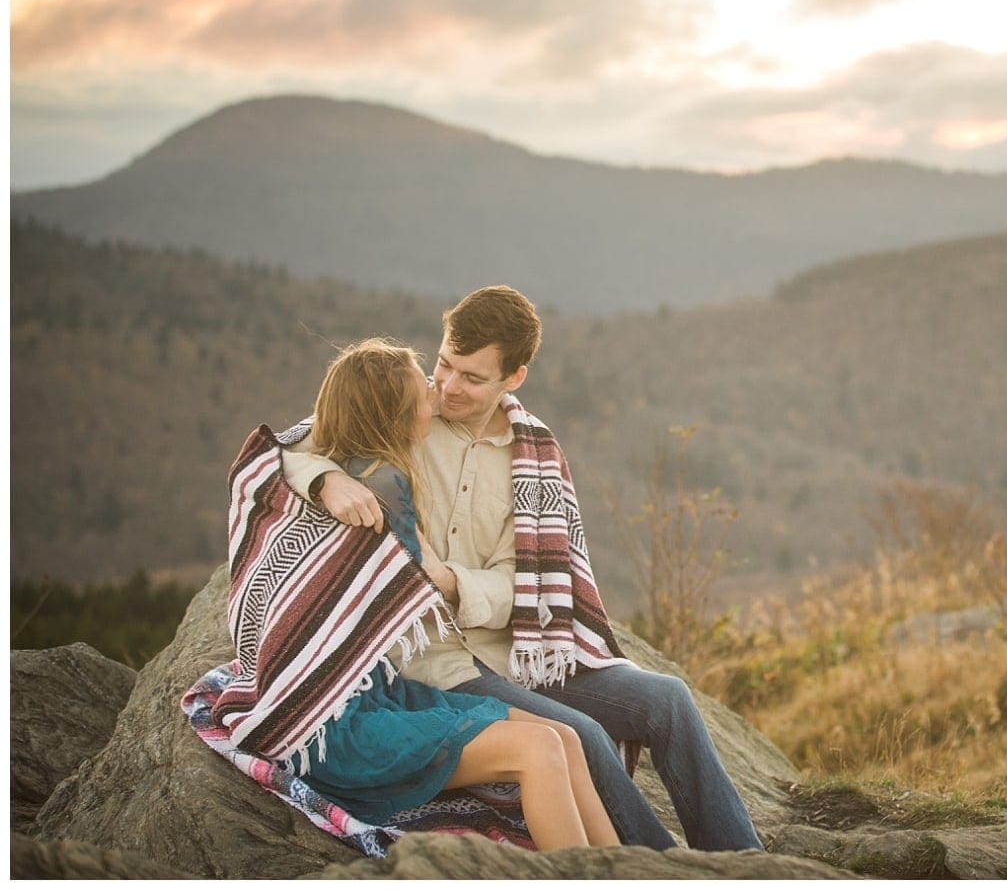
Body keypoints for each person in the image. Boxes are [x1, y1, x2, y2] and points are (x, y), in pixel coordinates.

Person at [282, 287, 762, 851]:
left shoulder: (535, 453)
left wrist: (455, 584)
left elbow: (533, 586)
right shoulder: (407, 413)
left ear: (514, 377)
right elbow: (288, 449)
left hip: (521, 646)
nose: (448, 386)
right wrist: (327, 479)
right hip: (438, 661)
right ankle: (659, 868)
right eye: (444, 365)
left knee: (669, 700)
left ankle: (741, 863)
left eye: (471, 377)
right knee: (582, 736)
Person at [276, 338, 620, 851]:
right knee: (542, 748)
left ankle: (627, 874)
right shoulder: (381, 483)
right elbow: (416, 584)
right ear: (393, 415)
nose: (437, 399)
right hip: (340, 723)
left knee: (564, 737)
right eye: (425, 393)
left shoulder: (370, 466)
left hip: (380, 692)